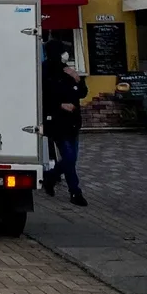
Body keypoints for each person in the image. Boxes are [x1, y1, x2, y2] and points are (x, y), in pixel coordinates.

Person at [42, 41, 88, 206]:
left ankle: (50, 177)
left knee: (71, 159)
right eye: (62, 52)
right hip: (56, 122)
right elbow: (42, 97)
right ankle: (75, 192)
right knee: (68, 157)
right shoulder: (44, 70)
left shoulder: (68, 70)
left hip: (73, 122)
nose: (65, 55)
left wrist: (78, 79)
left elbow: (82, 93)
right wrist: (59, 105)